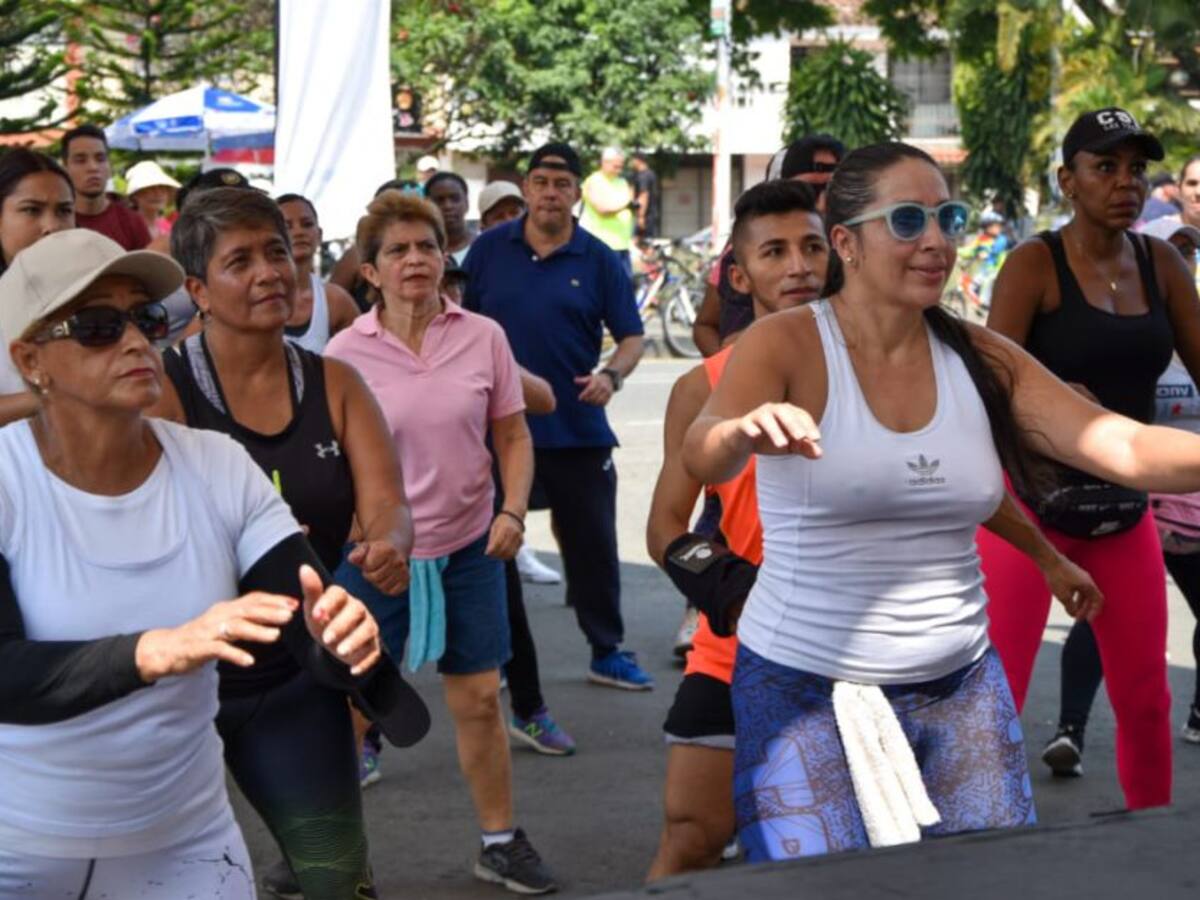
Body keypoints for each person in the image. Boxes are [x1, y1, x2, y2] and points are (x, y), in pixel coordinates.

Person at [678, 138, 1200, 862]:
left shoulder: (982, 356)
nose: (936, 241)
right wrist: (741, 430)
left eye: (946, 218)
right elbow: (700, 447)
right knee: (815, 887)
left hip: (961, 690)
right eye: (906, 221)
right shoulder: (786, 344)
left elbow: (1128, 448)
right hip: (804, 688)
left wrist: (1048, 558)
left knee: (981, 878)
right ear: (846, 243)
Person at [0, 228, 407, 897]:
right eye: (100, 325)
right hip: (20, 850)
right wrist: (159, 649)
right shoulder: (8, 481)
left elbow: (301, 609)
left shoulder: (215, 464)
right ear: (31, 358)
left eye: (147, 318)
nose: (137, 341)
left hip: (185, 843)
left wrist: (343, 636)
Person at [147, 187, 422, 898]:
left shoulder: (336, 383)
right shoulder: (165, 391)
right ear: (198, 291)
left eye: (277, 251)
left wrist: (390, 546)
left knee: (337, 879)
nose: (272, 271)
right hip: (177, 683)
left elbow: (388, 504)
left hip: (296, 676)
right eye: (241, 260)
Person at [327, 191, 557, 894]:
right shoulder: (344, 353)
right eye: (396, 250)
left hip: (469, 551)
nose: (415, 260)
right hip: (378, 555)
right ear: (370, 271)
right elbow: (334, 465)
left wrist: (513, 512)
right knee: (348, 701)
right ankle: (328, 847)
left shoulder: (482, 334)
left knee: (481, 698)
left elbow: (513, 433)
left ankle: (498, 840)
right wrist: (365, 542)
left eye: (426, 246)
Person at [978, 109, 1200, 810]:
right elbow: (983, 384)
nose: (1126, 183)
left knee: (1145, 699)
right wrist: (1044, 397)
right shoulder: (1033, 264)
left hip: (1122, 510)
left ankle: (1151, 842)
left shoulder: (1160, 263)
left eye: (1137, 169)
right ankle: (976, 850)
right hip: (1028, 514)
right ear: (1067, 181)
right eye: (1105, 167)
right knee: (999, 698)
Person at [464, 141, 652, 691]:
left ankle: (607, 649)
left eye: (562, 184)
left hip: (577, 431)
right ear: (525, 188)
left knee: (593, 549)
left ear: (577, 194)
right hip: (496, 433)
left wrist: (610, 376)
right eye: (541, 182)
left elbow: (633, 336)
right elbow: (458, 323)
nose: (550, 193)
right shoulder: (488, 251)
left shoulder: (597, 258)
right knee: (494, 550)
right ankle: (497, 655)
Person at [1041, 216, 1200, 764]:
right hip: (1093, 494)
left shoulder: (1175, 323)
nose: (1185, 261)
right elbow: (1126, 447)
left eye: (1190, 253)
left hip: (1180, 499)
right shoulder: (1111, 332)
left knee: (1147, 684)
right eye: (1175, 248)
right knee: (1093, 617)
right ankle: (1070, 729)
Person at [693, 135, 846, 357]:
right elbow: (706, 326)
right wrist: (724, 374)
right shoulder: (739, 251)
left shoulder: (857, 250)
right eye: (775, 252)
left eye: (832, 191)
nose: (799, 268)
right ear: (739, 278)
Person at [0, 148, 75, 423]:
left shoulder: (98, 294)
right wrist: (57, 394)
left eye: (64, 211)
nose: (51, 227)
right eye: (32, 210)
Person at [276, 192, 360, 352]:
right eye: (287, 226)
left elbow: (364, 358)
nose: (299, 232)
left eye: (307, 224)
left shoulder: (335, 301)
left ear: (319, 235)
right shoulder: (255, 297)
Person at [61, 125, 151, 250]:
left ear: (110, 167)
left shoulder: (131, 222)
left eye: (100, 159)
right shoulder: (56, 223)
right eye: (80, 160)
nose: (93, 167)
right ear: (65, 168)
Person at [580, 147, 635, 275]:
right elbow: (602, 209)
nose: (619, 170)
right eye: (616, 166)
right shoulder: (594, 181)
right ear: (605, 162)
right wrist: (627, 204)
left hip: (622, 244)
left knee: (624, 288)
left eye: (621, 166)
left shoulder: (622, 181)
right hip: (601, 244)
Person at [425, 171, 473, 263]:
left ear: (467, 203)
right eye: (439, 200)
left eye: (455, 199)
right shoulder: (421, 252)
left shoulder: (484, 246)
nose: (448, 206)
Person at [125, 160, 180, 239]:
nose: (157, 193)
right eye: (150, 188)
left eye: (162, 187)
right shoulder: (127, 226)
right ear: (136, 195)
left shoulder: (169, 227)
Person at [630, 154, 660, 242]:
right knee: (639, 242)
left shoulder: (643, 176)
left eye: (633, 160)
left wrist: (641, 216)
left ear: (639, 161)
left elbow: (644, 195)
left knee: (643, 243)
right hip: (646, 214)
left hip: (646, 215)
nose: (631, 163)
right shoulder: (648, 174)